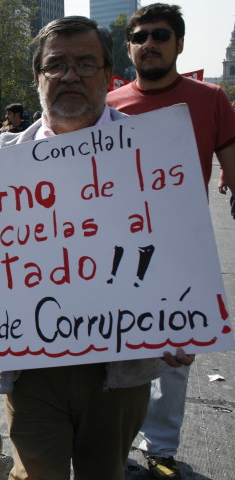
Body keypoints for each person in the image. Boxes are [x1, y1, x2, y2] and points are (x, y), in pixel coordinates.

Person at [0, 18, 192, 480]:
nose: (70, 75)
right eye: (56, 65)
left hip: (121, 369)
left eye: (84, 63)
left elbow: (179, 253)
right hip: (33, 371)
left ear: (109, 74)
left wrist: (187, 319)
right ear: (37, 78)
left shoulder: (153, 150)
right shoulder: (1, 161)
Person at [107, 4, 235, 479]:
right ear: (129, 48)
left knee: (176, 358)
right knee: (118, 351)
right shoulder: (110, 106)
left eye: (161, 35)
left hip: (183, 254)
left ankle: (161, 448)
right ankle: (114, 443)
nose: (150, 43)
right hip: (117, 254)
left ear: (179, 43)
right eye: (140, 36)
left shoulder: (211, 100)